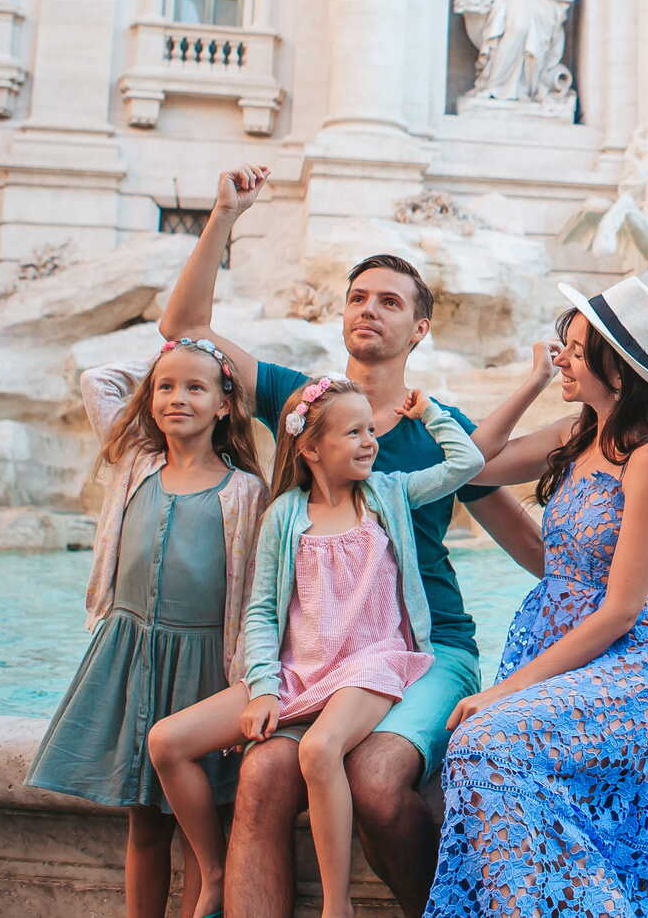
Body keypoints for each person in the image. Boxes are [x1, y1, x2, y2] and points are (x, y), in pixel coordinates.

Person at [158, 165, 559, 917]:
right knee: (261, 775)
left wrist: (627, 603)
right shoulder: (302, 402)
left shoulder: (439, 431)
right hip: (320, 653)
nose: (368, 309)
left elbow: (531, 548)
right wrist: (223, 214)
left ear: (420, 328)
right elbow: (185, 326)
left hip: (431, 647)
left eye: (390, 300)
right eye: (357, 296)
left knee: (377, 782)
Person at [149, 380, 485, 918]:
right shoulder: (283, 516)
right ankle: (212, 872)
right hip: (297, 671)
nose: (369, 441)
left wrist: (431, 413)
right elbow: (260, 612)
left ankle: (337, 904)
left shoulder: (388, 494)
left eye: (370, 429)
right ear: (309, 449)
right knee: (167, 741)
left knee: (317, 749)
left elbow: (466, 463)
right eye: (354, 432)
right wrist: (261, 689)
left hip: (372, 665)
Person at [425, 275, 648, 916]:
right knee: (475, 746)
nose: (562, 357)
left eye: (573, 349)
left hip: (630, 662)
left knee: (486, 740)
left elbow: (623, 607)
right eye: (562, 344)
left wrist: (498, 692)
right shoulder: (574, 435)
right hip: (555, 648)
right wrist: (531, 383)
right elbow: (473, 466)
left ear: (618, 369)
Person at [25, 338, 268, 918]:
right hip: (130, 653)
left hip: (206, 664)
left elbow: (257, 594)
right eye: (165, 386)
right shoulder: (134, 461)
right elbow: (97, 379)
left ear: (225, 405)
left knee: (197, 819)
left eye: (195, 387)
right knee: (143, 820)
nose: (177, 398)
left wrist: (248, 683)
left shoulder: (246, 492)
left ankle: (204, 898)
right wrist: (181, 351)